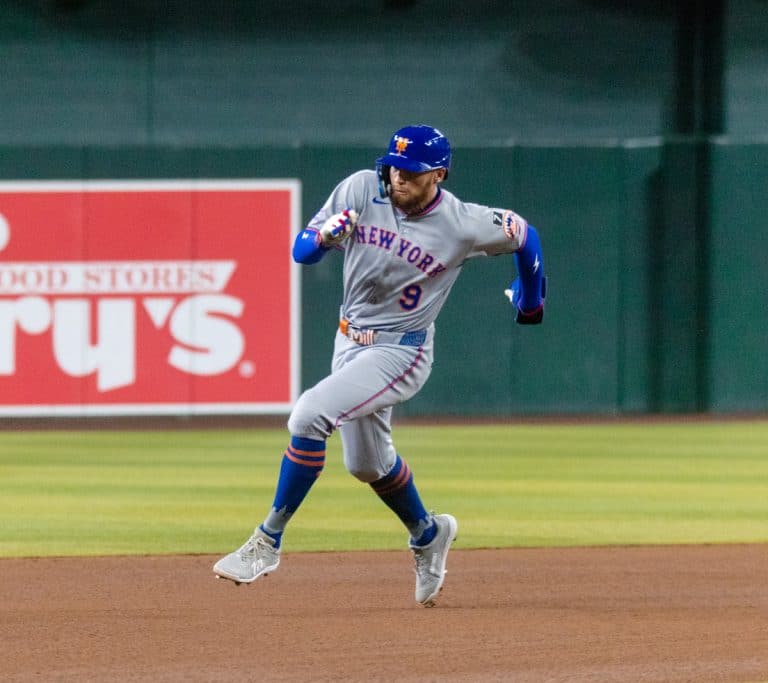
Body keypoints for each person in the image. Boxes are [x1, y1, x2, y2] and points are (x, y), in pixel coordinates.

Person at [213, 124, 547, 606]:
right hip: (349, 340)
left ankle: (267, 541)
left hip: (401, 351)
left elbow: (525, 235)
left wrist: (531, 302)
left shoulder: (464, 223)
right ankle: (428, 533)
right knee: (367, 465)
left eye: (411, 171)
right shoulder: (359, 189)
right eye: (393, 167)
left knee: (309, 415)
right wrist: (323, 237)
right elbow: (301, 252)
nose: (398, 177)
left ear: (438, 174)